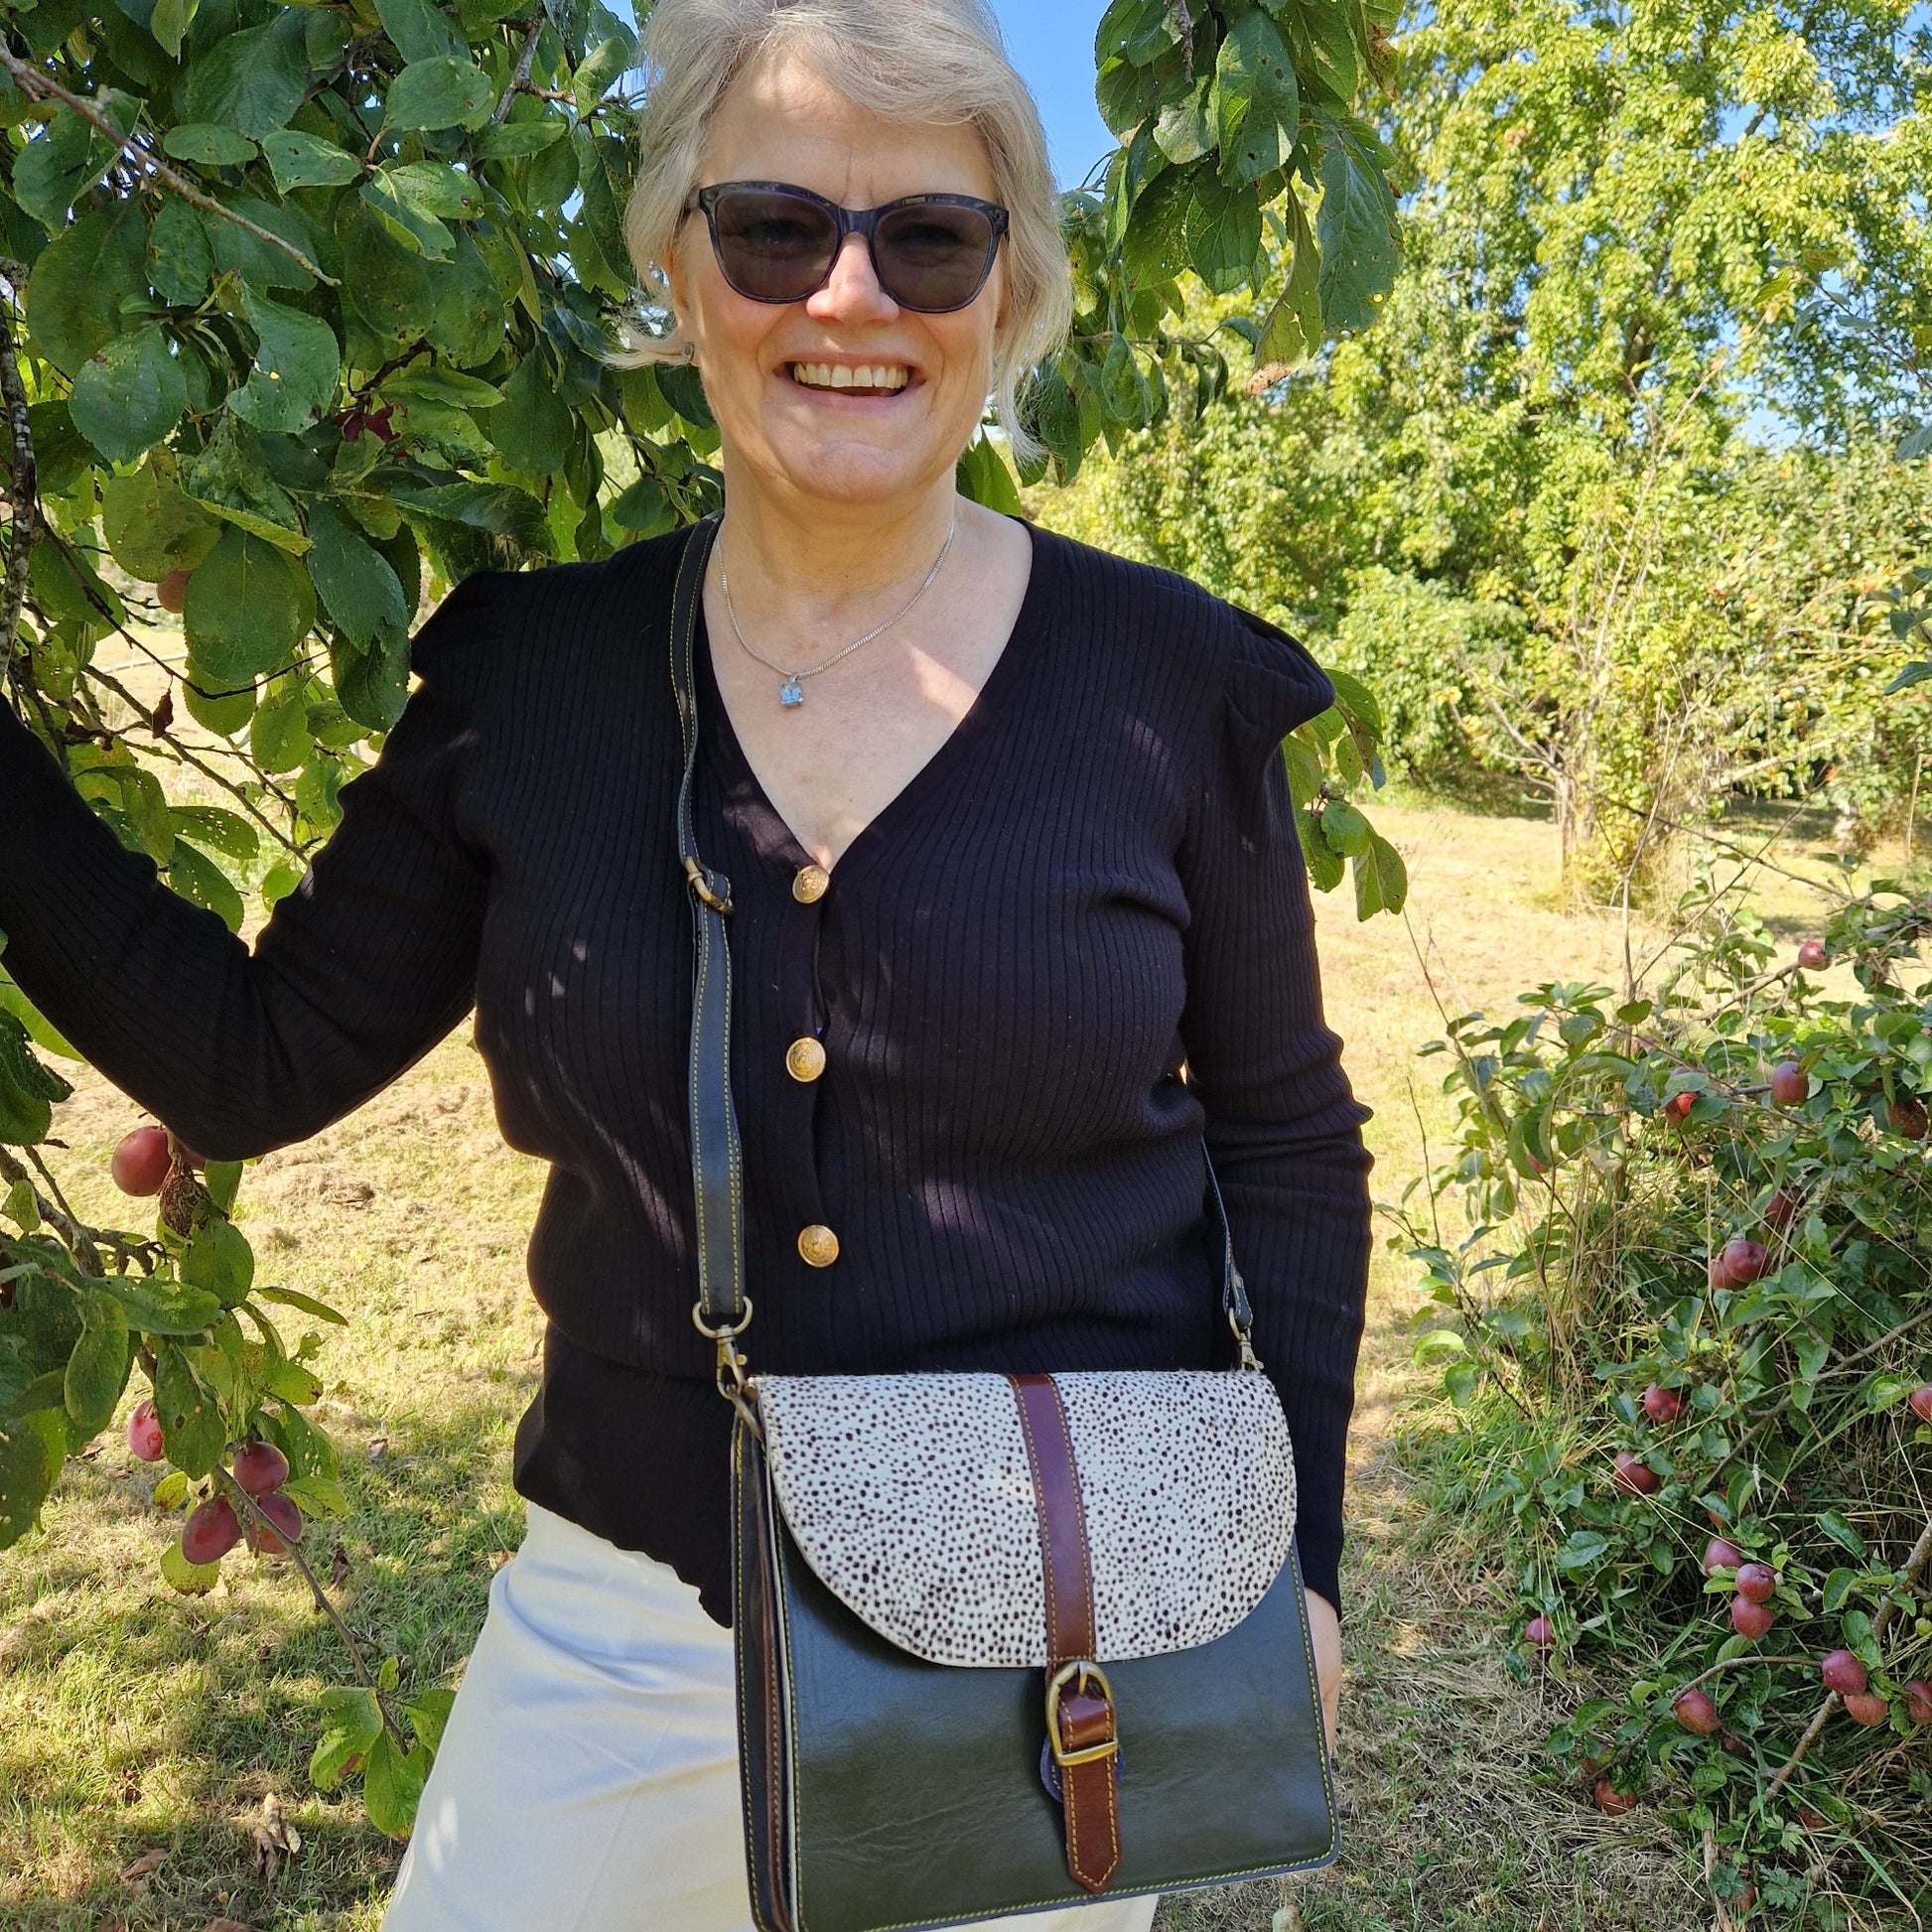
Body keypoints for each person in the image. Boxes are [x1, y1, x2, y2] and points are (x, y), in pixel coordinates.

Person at [0, 0, 1370, 1924]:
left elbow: (1287, 1140)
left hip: (1052, 1648)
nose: (848, 296)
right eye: (773, 228)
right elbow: (252, 1056)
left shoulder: (1170, 685)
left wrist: (1297, 1559)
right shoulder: (532, 679)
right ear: (676, 261)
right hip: (617, 1616)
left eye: (929, 239)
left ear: (1007, 291)